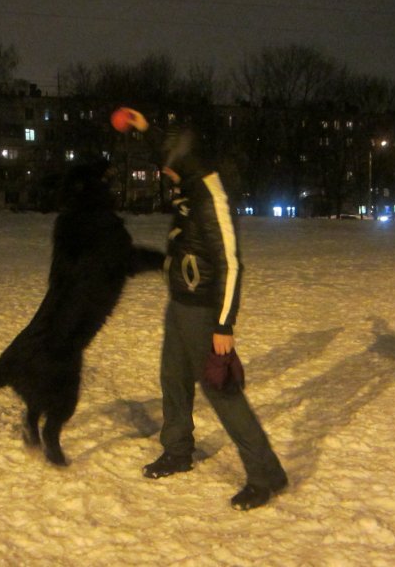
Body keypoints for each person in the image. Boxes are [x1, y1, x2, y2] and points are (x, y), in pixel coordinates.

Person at [117, 108, 287, 510]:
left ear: (185, 166)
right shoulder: (189, 182)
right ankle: (178, 450)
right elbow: (168, 150)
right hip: (179, 302)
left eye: (168, 169)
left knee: (221, 391)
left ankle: (267, 474)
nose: (163, 174)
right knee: (172, 378)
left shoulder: (211, 196)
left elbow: (231, 263)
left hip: (204, 311)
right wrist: (143, 127)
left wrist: (224, 324)